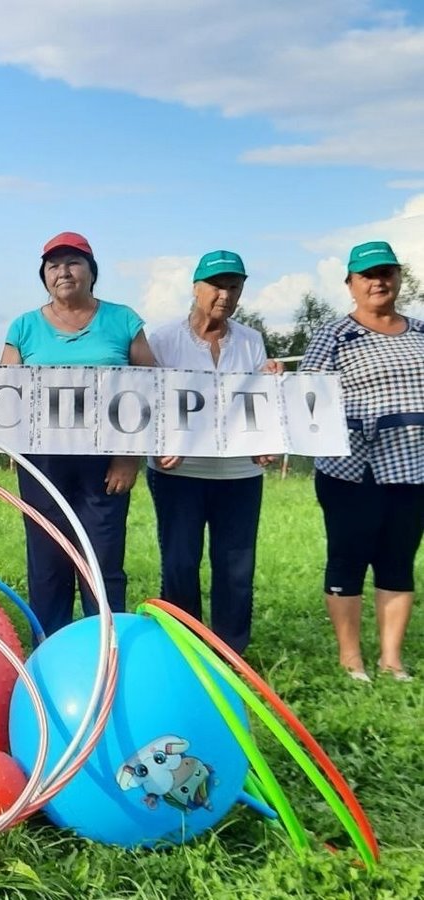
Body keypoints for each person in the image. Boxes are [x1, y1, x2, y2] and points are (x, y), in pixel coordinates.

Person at [0, 231, 157, 636]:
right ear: (44, 276)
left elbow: (151, 388)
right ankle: (51, 645)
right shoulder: (24, 327)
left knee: (102, 559)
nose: (63, 272)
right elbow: (4, 396)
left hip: (105, 464)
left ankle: (104, 644)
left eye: (73, 263)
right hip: (42, 463)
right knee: (47, 560)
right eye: (53, 266)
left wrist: (129, 457)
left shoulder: (123, 320)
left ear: (91, 271)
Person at [300, 241, 424, 683]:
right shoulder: (334, 335)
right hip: (351, 471)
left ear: (399, 277)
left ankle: (392, 661)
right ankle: (351, 659)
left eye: (386, 272)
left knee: (398, 562)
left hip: (412, 469)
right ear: (350, 283)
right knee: (347, 560)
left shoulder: (421, 333)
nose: (378, 282)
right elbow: (306, 396)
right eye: (367, 275)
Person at [146, 251, 280, 654]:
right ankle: (184, 645)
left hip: (239, 474)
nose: (225, 294)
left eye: (234, 287)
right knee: (180, 562)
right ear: (195, 288)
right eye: (216, 286)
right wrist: (159, 443)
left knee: (236, 565)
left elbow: (258, 402)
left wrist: (266, 436)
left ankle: (230, 652)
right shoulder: (163, 340)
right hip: (179, 473)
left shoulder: (251, 340)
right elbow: (147, 400)